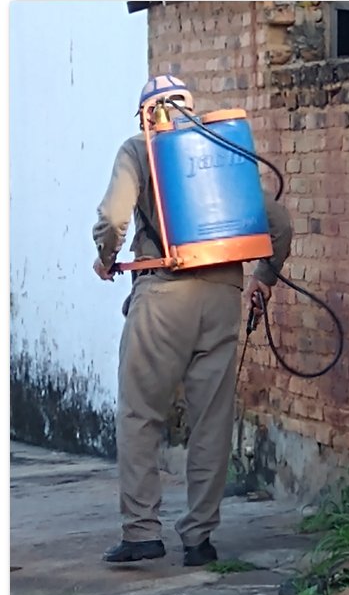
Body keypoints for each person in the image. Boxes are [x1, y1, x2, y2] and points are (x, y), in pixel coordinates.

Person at [92, 74, 292, 566]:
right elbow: (280, 223)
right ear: (187, 107)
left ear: (147, 112)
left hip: (162, 294)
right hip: (222, 295)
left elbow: (115, 219)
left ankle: (141, 533)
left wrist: (105, 255)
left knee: (141, 413)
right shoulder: (218, 147)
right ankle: (199, 539)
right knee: (212, 420)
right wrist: (263, 277)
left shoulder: (139, 148)